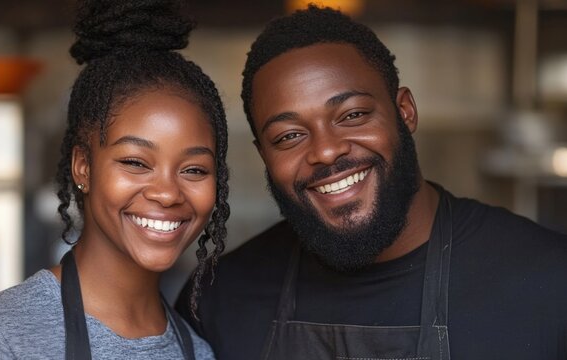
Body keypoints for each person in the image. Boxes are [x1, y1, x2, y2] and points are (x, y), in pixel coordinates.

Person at [176, 5, 567, 360]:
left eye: (352, 115)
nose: (326, 152)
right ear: (265, 156)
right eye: (289, 136)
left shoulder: (549, 282)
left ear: (405, 112)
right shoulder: (218, 302)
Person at [0, 0, 229, 359]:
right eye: (136, 162)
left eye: (194, 169)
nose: (168, 193)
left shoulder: (197, 351)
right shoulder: (0, 339)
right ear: (82, 167)